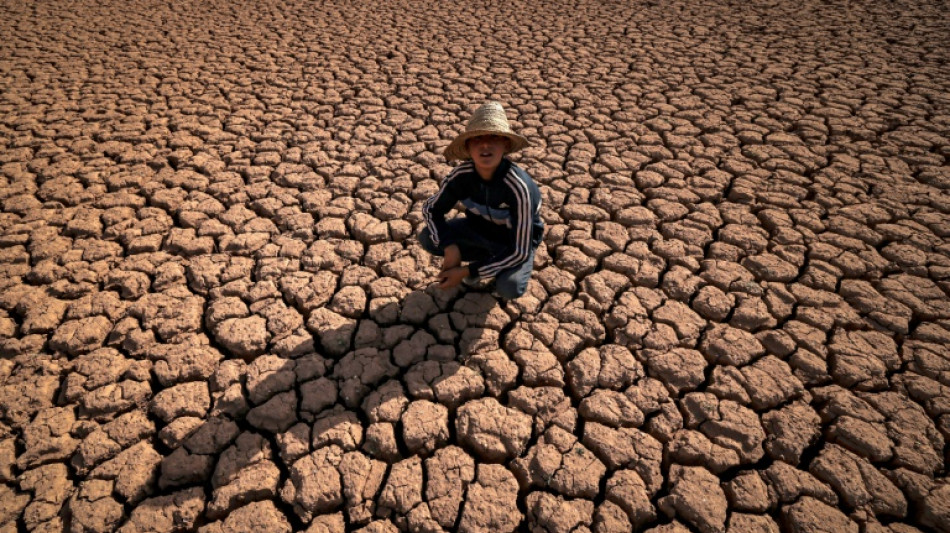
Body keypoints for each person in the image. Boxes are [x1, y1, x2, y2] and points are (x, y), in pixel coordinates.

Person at [419, 101, 544, 300]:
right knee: (428, 238)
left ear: (506, 144)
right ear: (468, 147)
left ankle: (488, 267)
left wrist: (467, 272)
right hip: (477, 230)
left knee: (509, 287)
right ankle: (485, 259)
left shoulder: (519, 188)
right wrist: (450, 247)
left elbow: (519, 251)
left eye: (494, 137)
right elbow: (430, 209)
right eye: (477, 138)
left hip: (512, 242)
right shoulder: (461, 176)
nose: (485, 144)